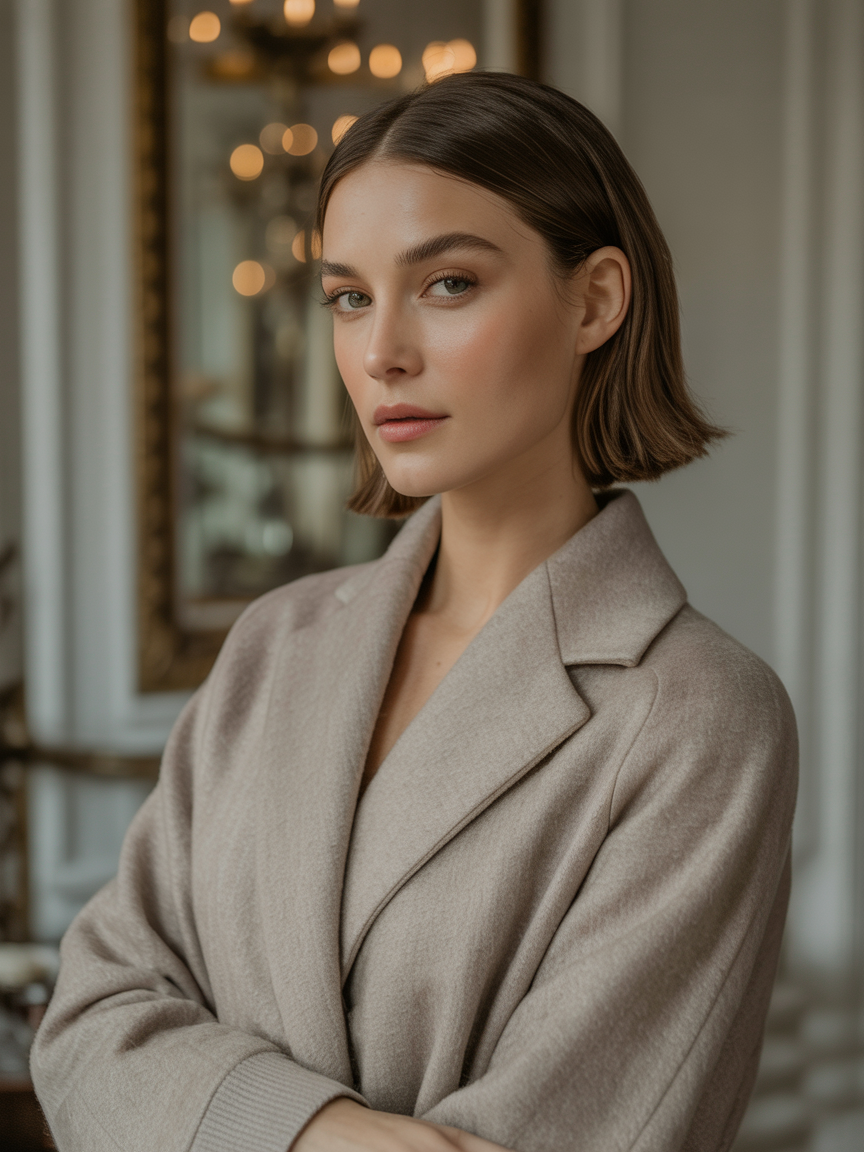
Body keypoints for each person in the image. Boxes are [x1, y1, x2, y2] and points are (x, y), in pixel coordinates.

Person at [30, 72, 797, 1152]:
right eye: (349, 296)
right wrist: (312, 1133)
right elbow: (87, 1022)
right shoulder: (275, 644)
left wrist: (202, 1106)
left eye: (446, 284)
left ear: (596, 300)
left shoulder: (699, 716)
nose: (380, 349)